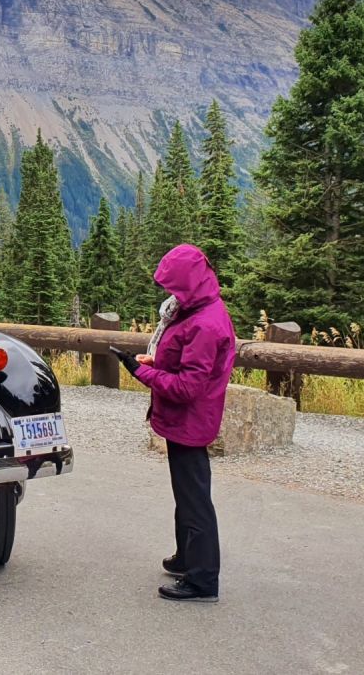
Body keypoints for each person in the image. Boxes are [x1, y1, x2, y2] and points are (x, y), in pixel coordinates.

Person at [113, 244, 236, 602]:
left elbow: (187, 387)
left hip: (191, 420)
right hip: (187, 420)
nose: (170, 293)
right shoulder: (196, 309)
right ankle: (187, 558)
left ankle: (202, 580)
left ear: (189, 284)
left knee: (195, 499)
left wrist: (141, 372)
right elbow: (185, 365)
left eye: (174, 286)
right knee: (187, 494)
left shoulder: (204, 323)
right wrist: (155, 361)